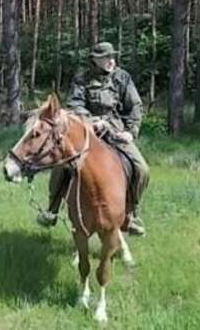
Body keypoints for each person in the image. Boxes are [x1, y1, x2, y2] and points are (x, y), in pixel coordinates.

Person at [36, 41, 150, 236]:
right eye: (106, 57)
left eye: (112, 56)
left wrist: (131, 132)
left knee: (142, 169)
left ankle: (130, 214)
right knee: (62, 165)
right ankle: (52, 209)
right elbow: (75, 105)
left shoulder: (123, 78)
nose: (110, 61)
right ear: (95, 60)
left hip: (116, 132)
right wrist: (92, 121)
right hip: (88, 131)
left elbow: (135, 106)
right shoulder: (82, 79)